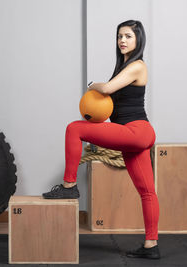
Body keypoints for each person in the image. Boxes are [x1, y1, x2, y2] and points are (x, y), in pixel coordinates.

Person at [42, 20, 160, 260]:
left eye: (128, 36)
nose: (122, 41)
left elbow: (105, 89)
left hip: (137, 131)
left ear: (139, 40)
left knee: (74, 129)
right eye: (119, 36)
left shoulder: (137, 65)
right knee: (147, 191)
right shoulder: (124, 67)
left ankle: (69, 187)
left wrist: (91, 85)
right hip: (131, 134)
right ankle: (151, 245)